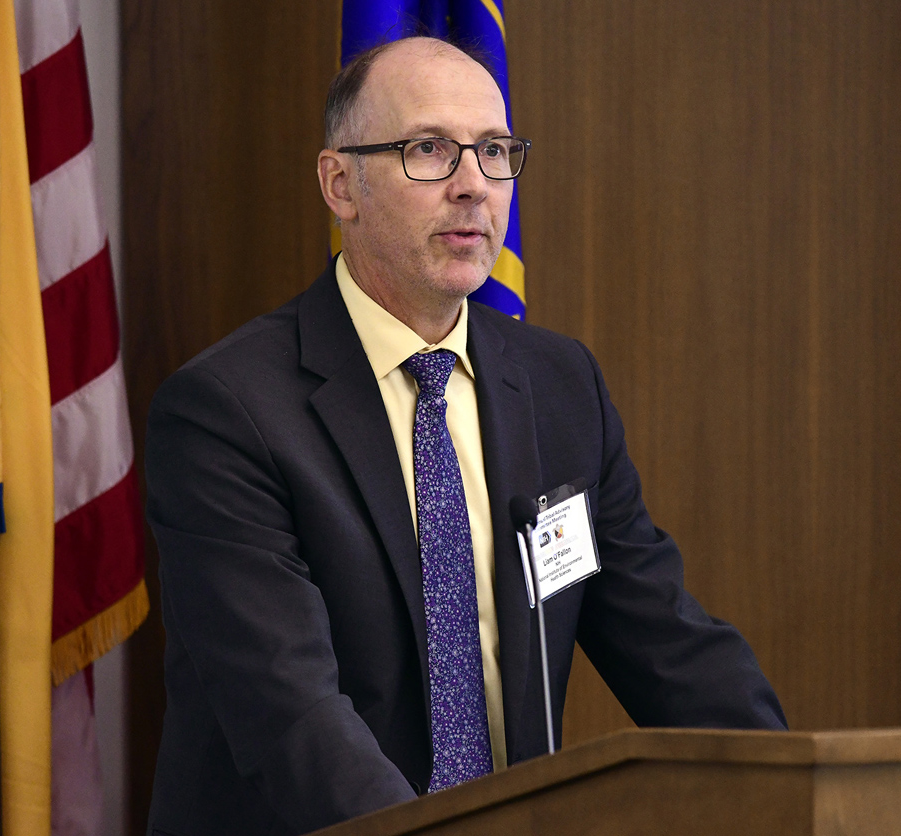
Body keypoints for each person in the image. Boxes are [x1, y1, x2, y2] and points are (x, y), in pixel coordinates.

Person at [144, 36, 785, 836]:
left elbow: (667, 644)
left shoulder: (559, 388)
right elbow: (291, 716)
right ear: (340, 183)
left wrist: (794, 787)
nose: (473, 187)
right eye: (429, 150)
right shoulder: (226, 411)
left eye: (494, 151)